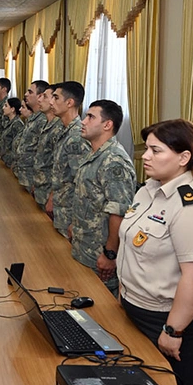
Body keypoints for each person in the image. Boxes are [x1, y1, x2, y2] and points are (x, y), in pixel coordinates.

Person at [117, 119, 193, 385]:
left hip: (169, 318)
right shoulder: (148, 190)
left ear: (183, 158)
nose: (145, 156)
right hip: (136, 306)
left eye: (155, 150)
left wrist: (173, 330)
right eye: (146, 149)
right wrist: (123, 293)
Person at [70, 100, 136, 294]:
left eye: (91, 117)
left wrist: (110, 254)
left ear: (107, 125)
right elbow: (87, 196)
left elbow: (119, 212)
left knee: (100, 310)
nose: (83, 121)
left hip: (98, 251)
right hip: (84, 244)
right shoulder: (94, 153)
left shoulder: (113, 161)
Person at [48, 82, 89, 237]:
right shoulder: (64, 130)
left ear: (69, 102)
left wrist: (75, 221)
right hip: (60, 207)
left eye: (56, 98)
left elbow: (81, 183)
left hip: (69, 213)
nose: (51, 102)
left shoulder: (77, 136)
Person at [31, 84, 63, 208]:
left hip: (50, 194)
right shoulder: (45, 123)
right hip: (40, 187)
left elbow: (58, 168)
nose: (39, 100)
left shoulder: (59, 128)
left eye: (44, 96)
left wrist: (52, 196)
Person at [13, 80, 49, 189]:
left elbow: (42, 154)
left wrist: (35, 181)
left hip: (33, 179)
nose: (25, 94)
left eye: (30, 92)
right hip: (24, 174)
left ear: (40, 96)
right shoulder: (33, 118)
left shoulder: (43, 120)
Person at [0, 97, 25, 168]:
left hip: (11, 162)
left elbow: (17, 146)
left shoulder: (17, 124)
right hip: (6, 160)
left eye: (6, 106)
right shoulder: (10, 122)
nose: (3, 108)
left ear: (12, 109)